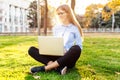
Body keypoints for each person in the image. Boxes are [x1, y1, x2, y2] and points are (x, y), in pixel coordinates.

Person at [28, 4, 83, 75]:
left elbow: (80, 46)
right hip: (56, 56)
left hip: (67, 58)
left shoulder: (75, 28)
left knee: (77, 48)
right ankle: (58, 67)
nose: (60, 15)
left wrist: (67, 51)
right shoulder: (56, 28)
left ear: (68, 13)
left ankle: (45, 68)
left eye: (61, 13)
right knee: (31, 50)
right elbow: (55, 42)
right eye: (58, 14)